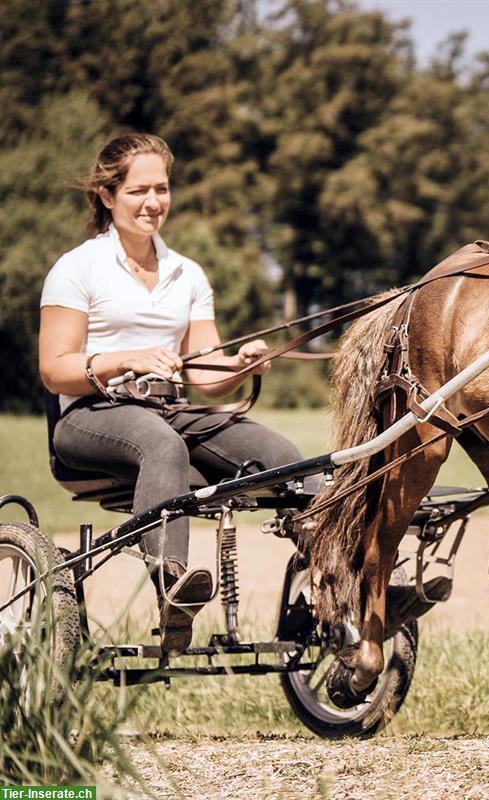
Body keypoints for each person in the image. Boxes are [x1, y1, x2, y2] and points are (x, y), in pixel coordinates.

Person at [39, 133, 304, 652]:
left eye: (161, 188)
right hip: (91, 416)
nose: (153, 203)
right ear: (107, 196)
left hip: (170, 410)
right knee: (162, 446)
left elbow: (204, 376)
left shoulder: (187, 273)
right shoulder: (77, 268)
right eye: (139, 191)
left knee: (285, 457)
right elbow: (54, 370)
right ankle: (173, 587)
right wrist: (125, 358)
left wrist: (240, 363)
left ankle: (338, 579)